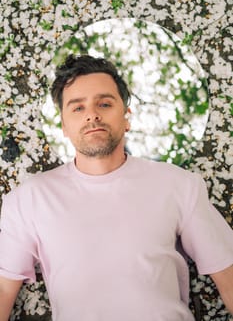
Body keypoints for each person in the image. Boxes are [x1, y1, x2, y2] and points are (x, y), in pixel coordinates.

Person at [0, 54, 233, 321]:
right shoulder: (29, 199)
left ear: (126, 116)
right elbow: (4, 289)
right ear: (64, 126)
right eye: (78, 108)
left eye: (105, 103)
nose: (92, 115)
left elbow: (228, 277)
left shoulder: (178, 184)